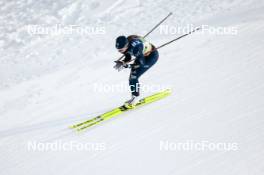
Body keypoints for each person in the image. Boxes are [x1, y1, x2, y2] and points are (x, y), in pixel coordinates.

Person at [114, 35, 159, 106]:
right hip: (142, 55)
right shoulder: (126, 45)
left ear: (126, 45)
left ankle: (135, 98)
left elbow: (141, 65)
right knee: (132, 78)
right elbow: (128, 56)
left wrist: (127, 66)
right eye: (118, 50)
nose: (120, 52)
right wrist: (123, 62)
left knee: (134, 77)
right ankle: (135, 96)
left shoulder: (136, 49)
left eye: (121, 50)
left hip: (151, 57)